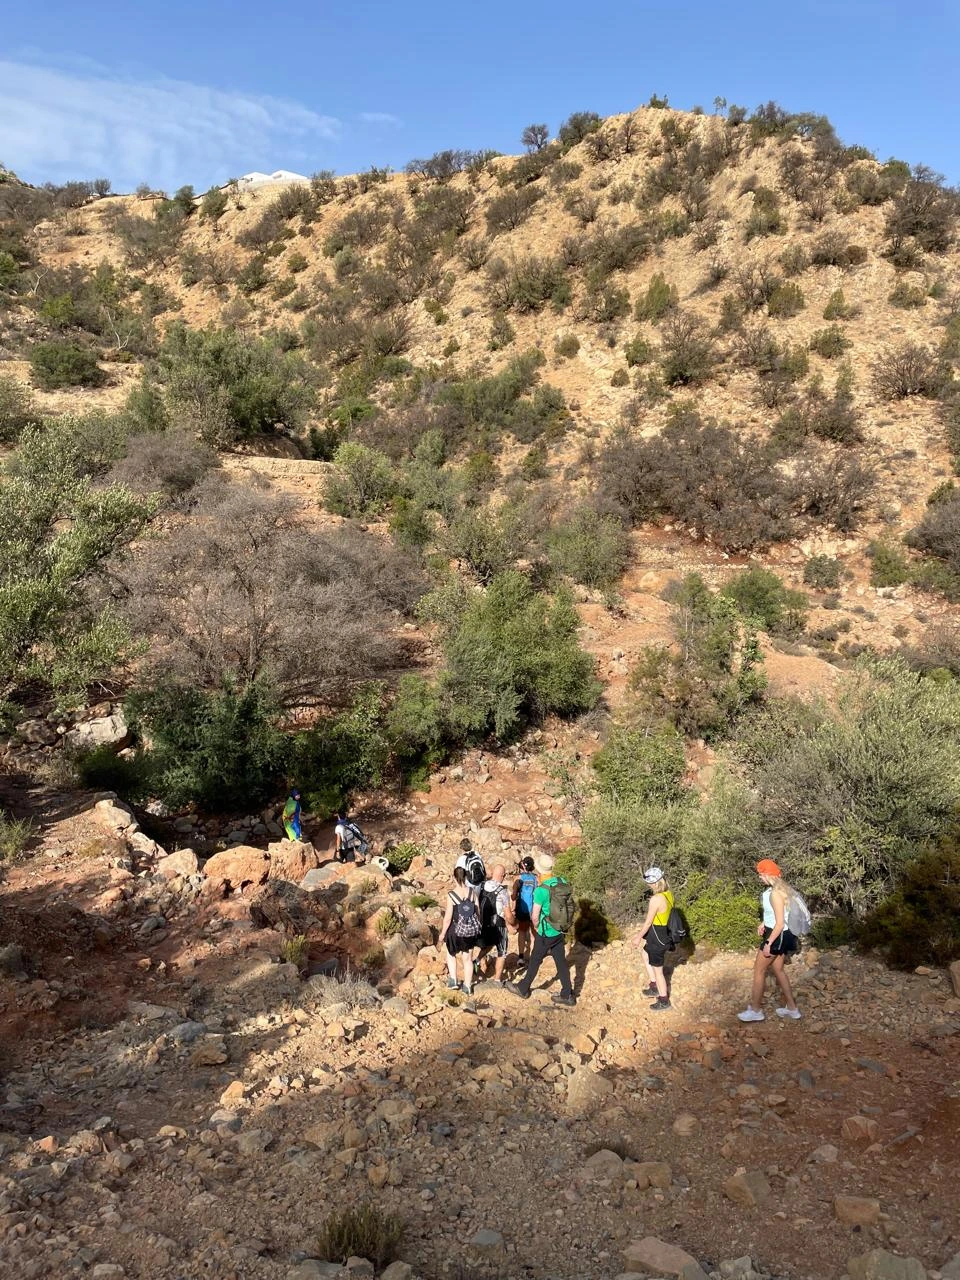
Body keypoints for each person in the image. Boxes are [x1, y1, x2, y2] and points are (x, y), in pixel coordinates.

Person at [504, 854, 576, 1007]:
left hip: (546, 931)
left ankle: (523, 988)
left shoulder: (541, 890)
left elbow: (535, 916)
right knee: (561, 962)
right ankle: (567, 994)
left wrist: (536, 927)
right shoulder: (561, 881)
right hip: (559, 930)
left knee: (535, 960)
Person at [737, 858, 802, 1023]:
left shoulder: (774, 894)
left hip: (777, 935)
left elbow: (779, 923)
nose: (759, 877)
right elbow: (779, 915)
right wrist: (764, 922)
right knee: (778, 970)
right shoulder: (782, 889)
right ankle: (792, 1009)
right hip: (785, 935)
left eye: (761, 874)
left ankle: (756, 1010)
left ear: (767, 874)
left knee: (758, 971)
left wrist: (768, 943)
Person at [630, 867, 674, 1012]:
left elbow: (648, 922)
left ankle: (663, 1000)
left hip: (657, 935)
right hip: (662, 932)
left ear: (655, 883)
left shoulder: (656, 899)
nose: (648, 885)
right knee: (645, 953)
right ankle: (654, 985)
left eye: (649, 883)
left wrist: (638, 937)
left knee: (658, 970)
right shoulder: (668, 894)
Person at [437, 864, 480, 995]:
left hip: (455, 930)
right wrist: (477, 927)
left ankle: (453, 981)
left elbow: (448, 918)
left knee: (451, 954)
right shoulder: (472, 893)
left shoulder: (452, 895)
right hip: (470, 931)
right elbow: (478, 912)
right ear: (466, 877)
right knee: (467, 959)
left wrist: (442, 933)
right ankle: (467, 987)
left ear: (454, 878)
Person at [475, 863, 511, 985]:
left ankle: (477, 960)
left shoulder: (482, 885)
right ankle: (497, 979)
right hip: (498, 925)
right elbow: (508, 914)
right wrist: (513, 923)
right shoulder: (502, 891)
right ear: (503, 875)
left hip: (483, 923)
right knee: (502, 951)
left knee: (488, 945)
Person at [511, 856, 538, 966]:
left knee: (522, 932)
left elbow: (513, 896)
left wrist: (512, 909)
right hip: (534, 908)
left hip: (523, 909)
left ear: (523, 865)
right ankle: (534, 956)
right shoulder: (535, 878)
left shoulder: (519, 878)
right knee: (533, 933)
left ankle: (521, 957)